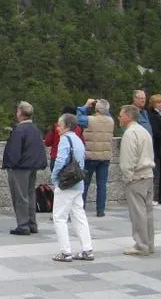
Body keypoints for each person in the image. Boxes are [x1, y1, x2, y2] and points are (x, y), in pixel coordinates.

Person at [50, 113, 94, 262]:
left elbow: (60, 160)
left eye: (59, 125)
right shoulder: (78, 140)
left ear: (67, 126)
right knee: (79, 216)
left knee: (59, 217)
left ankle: (65, 251)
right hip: (78, 183)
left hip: (66, 183)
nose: (57, 128)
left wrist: (54, 177)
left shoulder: (65, 139)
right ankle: (87, 249)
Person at [3, 101, 47, 236]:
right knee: (30, 195)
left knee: (20, 196)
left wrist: (10, 164)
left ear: (20, 113)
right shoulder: (34, 128)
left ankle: (23, 225)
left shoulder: (19, 130)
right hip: (33, 166)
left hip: (20, 167)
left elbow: (14, 151)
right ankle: (32, 223)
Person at [118, 104, 156, 256]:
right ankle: (149, 244)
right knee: (147, 212)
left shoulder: (130, 133)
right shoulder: (144, 131)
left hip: (136, 177)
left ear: (128, 116)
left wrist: (127, 178)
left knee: (138, 213)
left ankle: (141, 245)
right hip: (148, 174)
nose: (119, 118)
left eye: (121, 115)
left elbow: (128, 159)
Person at [76, 98, 115, 217]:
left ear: (96, 109)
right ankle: (100, 210)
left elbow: (77, 119)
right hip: (105, 157)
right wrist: (102, 105)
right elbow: (106, 112)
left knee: (85, 183)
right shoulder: (111, 121)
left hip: (90, 156)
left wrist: (85, 106)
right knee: (102, 184)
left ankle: (81, 207)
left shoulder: (89, 120)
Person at [44, 106, 84, 170]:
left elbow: (47, 142)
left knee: (56, 178)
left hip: (56, 157)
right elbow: (82, 144)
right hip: (73, 160)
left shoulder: (56, 127)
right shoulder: (78, 128)